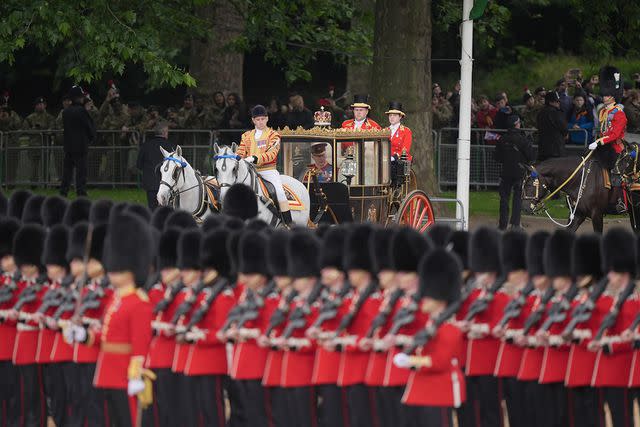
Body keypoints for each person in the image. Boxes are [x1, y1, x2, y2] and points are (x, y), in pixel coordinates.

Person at [68, 213, 154, 427]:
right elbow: (106, 336)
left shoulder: (139, 302)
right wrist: (85, 335)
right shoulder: (116, 298)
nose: (113, 272)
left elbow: (140, 345)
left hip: (126, 373)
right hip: (107, 371)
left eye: (119, 268)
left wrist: (136, 375)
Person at [393, 248, 466, 427]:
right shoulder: (431, 326)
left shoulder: (450, 328)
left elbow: (438, 361)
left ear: (440, 298)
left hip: (440, 391)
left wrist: (410, 360)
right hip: (421, 389)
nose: (422, 299)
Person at [237, 104, 293, 226]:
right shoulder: (246, 136)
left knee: (279, 191)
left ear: (267, 119)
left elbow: (272, 154)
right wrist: (237, 159)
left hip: (268, 171)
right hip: (249, 171)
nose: (260, 122)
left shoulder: (273, 135)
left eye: (263, 119)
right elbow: (240, 152)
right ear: (253, 120)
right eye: (258, 119)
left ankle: (288, 224)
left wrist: (255, 158)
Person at [588, 66, 627, 213]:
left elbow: (615, 134)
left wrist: (600, 141)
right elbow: (602, 129)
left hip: (615, 148)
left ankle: (617, 202)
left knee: (616, 173)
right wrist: (597, 140)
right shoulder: (603, 111)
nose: (603, 97)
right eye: (603, 95)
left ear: (612, 96)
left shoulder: (619, 113)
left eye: (606, 95)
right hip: (603, 146)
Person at [494, 115, 534, 230]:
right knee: (518, 198)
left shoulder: (502, 139)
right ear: (517, 124)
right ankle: (515, 224)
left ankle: (503, 224)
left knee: (504, 198)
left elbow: (497, 157)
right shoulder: (523, 139)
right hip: (519, 172)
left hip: (505, 172)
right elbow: (531, 156)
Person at [60, 86, 96, 197]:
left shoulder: (65, 112)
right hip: (81, 146)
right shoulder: (82, 111)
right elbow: (90, 127)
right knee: (81, 172)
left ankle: (63, 191)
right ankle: (81, 192)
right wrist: (91, 138)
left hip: (69, 146)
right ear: (78, 97)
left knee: (67, 172)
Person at [136, 121, 177, 209]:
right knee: (167, 209)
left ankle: (154, 222)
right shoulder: (171, 146)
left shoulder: (146, 146)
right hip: (167, 184)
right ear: (165, 132)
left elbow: (138, 165)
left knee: (152, 209)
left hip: (150, 184)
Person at [536, 91, 568, 161]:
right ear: (550, 102)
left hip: (543, 149)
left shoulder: (540, 113)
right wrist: (565, 134)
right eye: (556, 101)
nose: (558, 103)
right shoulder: (556, 112)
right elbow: (563, 127)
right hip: (556, 149)